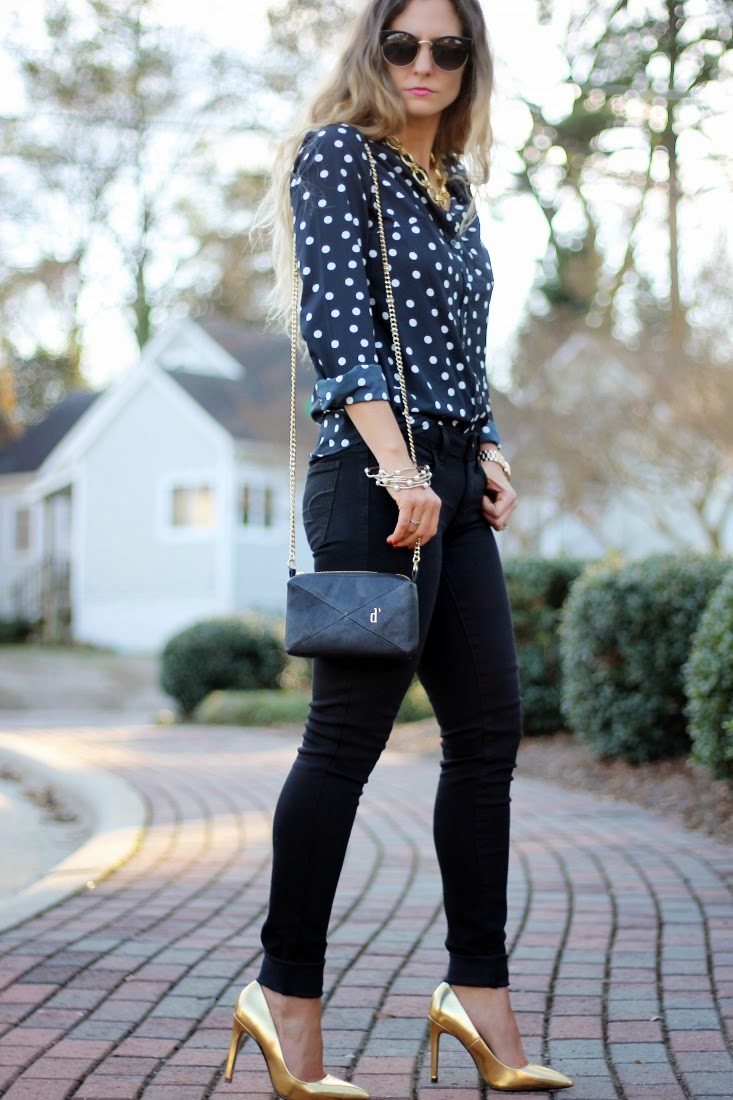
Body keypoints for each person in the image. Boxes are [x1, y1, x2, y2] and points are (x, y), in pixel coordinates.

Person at [224, 0, 573, 1096]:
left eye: (449, 47)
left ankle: (479, 998)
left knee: (487, 734)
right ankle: (284, 1000)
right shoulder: (337, 158)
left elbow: (458, 349)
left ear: (471, 64)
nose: (425, 64)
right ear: (372, 50)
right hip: (377, 479)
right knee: (345, 741)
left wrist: (488, 452)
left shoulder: (454, 189)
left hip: (454, 479)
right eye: (404, 43)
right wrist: (403, 467)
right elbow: (338, 322)